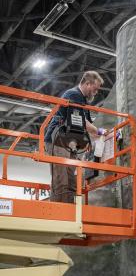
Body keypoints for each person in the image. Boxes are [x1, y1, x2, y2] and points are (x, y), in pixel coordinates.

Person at [44, 70, 107, 203]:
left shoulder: (83, 101)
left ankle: (71, 213)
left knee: (72, 181)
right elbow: (82, 122)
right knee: (61, 179)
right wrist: (99, 131)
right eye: (95, 89)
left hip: (68, 143)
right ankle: (58, 213)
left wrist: (99, 136)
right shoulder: (73, 94)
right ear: (88, 84)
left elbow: (87, 127)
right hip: (57, 140)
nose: (95, 93)